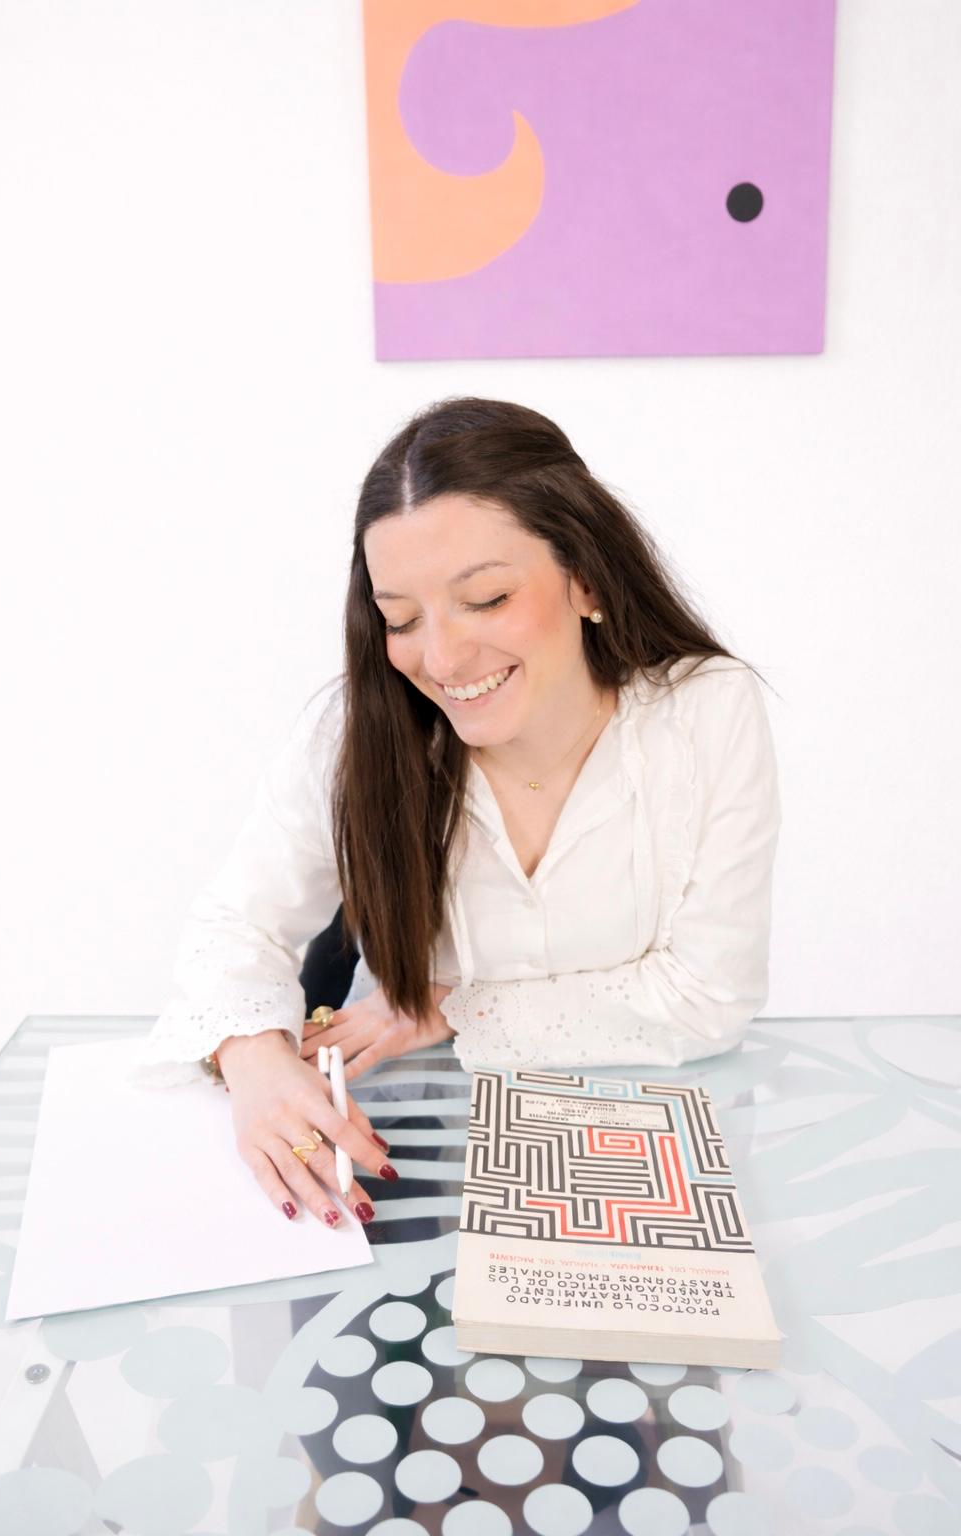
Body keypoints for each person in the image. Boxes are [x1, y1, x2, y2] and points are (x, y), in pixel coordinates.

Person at [132, 397, 781, 1233]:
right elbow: (233, 925)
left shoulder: (707, 714)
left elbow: (710, 996)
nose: (440, 658)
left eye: (486, 598)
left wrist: (456, 1008)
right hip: (424, 1160)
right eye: (401, 619)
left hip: (654, 1157)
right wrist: (254, 1059)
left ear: (586, 578)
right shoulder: (352, 732)